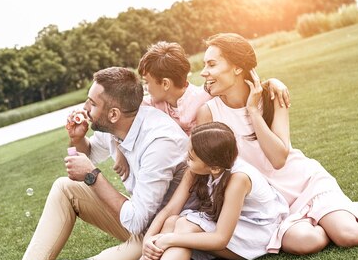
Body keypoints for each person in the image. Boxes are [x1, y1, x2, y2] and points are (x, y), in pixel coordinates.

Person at [0, 67, 189, 260]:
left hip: (168, 230)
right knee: (64, 187)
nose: (85, 108)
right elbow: (91, 152)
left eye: (91, 103)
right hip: (142, 219)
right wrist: (78, 139)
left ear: (113, 113)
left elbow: (137, 221)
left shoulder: (159, 141)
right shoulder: (119, 123)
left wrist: (93, 176)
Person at [195, 32, 358, 255]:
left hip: (304, 183)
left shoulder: (271, 96)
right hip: (271, 204)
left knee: (347, 236)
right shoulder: (208, 113)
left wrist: (253, 112)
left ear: (237, 68)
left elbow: (279, 159)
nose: (204, 72)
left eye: (212, 64)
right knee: (305, 243)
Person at [79, 122, 290, 260]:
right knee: (173, 220)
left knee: (181, 230)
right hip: (222, 222)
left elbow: (220, 239)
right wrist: (150, 239)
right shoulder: (199, 167)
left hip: (254, 231)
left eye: (191, 157)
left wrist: (168, 240)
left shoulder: (238, 179)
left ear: (214, 168)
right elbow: (171, 209)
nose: (186, 159)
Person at [112, 41, 290, 180]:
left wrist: (271, 83)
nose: (145, 88)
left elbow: (238, 88)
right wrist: (120, 150)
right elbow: (120, 115)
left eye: (146, 82)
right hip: (181, 170)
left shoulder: (205, 98)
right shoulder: (150, 105)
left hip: (206, 168)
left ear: (165, 83)